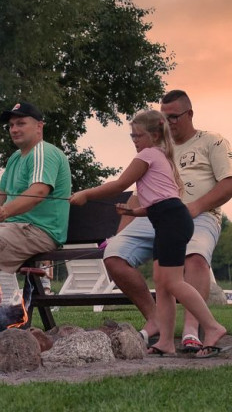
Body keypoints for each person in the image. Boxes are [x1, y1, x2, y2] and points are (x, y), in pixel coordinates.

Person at [72, 109, 227, 357]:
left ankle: (212, 326)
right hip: (167, 220)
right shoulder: (162, 156)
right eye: (132, 136)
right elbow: (161, 202)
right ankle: (165, 340)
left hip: (172, 223)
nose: (135, 141)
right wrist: (135, 213)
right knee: (163, 285)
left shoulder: (148, 155)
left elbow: (120, 185)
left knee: (173, 282)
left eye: (138, 136)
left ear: (154, 135)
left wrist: (86, 194)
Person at [0, 102, 72, 272]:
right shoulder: (15, 157)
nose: (14, 129)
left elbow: (39, 191)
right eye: (11, 125)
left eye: (21, 123)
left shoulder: (43, 152)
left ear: (39, 126)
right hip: (10, 229)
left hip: (37, 231)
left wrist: (6, 211)